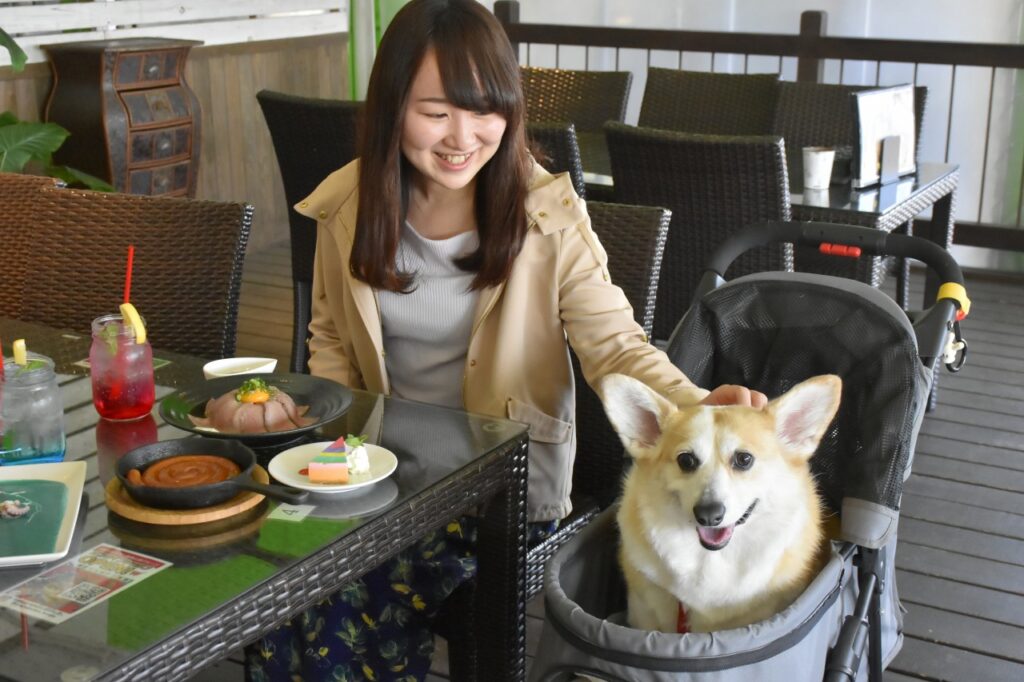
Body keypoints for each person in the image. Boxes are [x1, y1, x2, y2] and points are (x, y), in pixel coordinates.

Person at [246, 1, 765, 680]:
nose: (462, 136)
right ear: (391, 107)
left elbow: (615, 347)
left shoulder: (546, 215)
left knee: (339, 615)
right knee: (268, 581)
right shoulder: (346, 204)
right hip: (373, 482)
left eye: (484, 110)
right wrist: (333, 443)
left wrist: (698, 407)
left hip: (499, 497)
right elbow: (330, 338)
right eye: (435, 113)